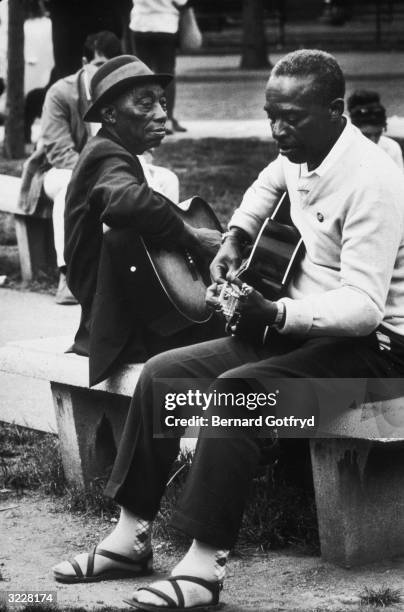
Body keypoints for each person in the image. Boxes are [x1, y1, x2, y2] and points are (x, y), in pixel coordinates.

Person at [53, 49, 404, 610]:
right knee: (167, 374)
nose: (277, 129)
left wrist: (277, 314)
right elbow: (267, 185)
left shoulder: (375, 181)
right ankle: (129, 538)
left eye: (291, 117)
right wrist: (237, 237)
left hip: (377, 358)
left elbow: (363, 308)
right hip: (307, 335)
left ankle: (204, 566)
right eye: (270, 115)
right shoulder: (298, 151)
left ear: (335, 110)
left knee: (236, 393)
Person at [63, 54, 221, 387]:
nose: (162, 113)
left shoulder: (111, 150)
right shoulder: (106, 154)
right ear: (110, 115)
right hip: (119, 321)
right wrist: (191, 237)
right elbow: (125, 201)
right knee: (233, 334)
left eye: (162, 103)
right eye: (145, 104)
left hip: (126, 303)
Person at [18, 31, 122, 304]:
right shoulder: (61, 91)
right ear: (85, 62)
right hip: (60, 171)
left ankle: (161, 270)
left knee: (165, 179)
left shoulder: (122, 91)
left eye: (112, 65)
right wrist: (102, 174)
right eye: (99, 65)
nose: (105, 72)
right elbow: (58, 150)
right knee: (70, 189)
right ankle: (68, 275)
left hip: (111, 171)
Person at [129, 0, 188, 134]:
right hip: (165, 24)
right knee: (167, 74)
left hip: (140, 23)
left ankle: (143, 118)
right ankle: (167, 118)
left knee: (142, 75)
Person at [348, 89, 404, 170]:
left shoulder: (391, 148)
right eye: (366, 135)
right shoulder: (343, 150)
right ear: (354, 129)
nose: (373, 141)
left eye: (378, 134)